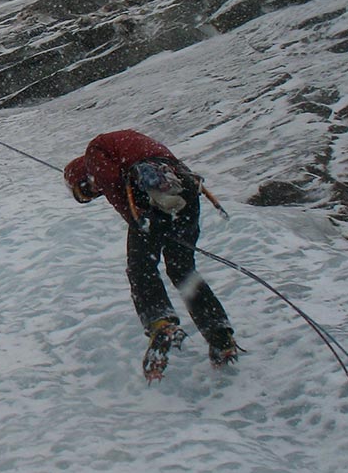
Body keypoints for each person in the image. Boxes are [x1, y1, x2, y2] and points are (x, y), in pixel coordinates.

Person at [63, 129, 240, 381]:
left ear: (83, 176)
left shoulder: (95, 151)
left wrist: (138, 221)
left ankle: (160, 323)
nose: (95, 193)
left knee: (141, 268)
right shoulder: (127, 143)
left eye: (89, 191)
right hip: (186, 191)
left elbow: (113, 187)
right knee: (182, 270)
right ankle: (220, 336)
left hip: (149, 200)